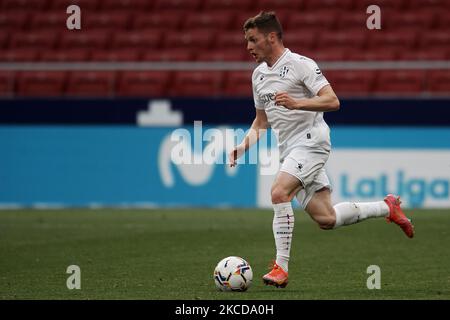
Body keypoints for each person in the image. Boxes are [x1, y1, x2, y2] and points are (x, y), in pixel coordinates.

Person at [228, 11, 414, 288]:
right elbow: (261, 121)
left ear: (271, 37)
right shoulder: (258, 76)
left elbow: (332, 100)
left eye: (253, 40)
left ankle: (281, 267)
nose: (248, 47)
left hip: (311, 141)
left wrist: (298, 103)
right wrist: (242, 146)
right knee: (326, 218)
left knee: (279, 192)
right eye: (247, 41)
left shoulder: (301, 65)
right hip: (289, 150)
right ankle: (387, 207)